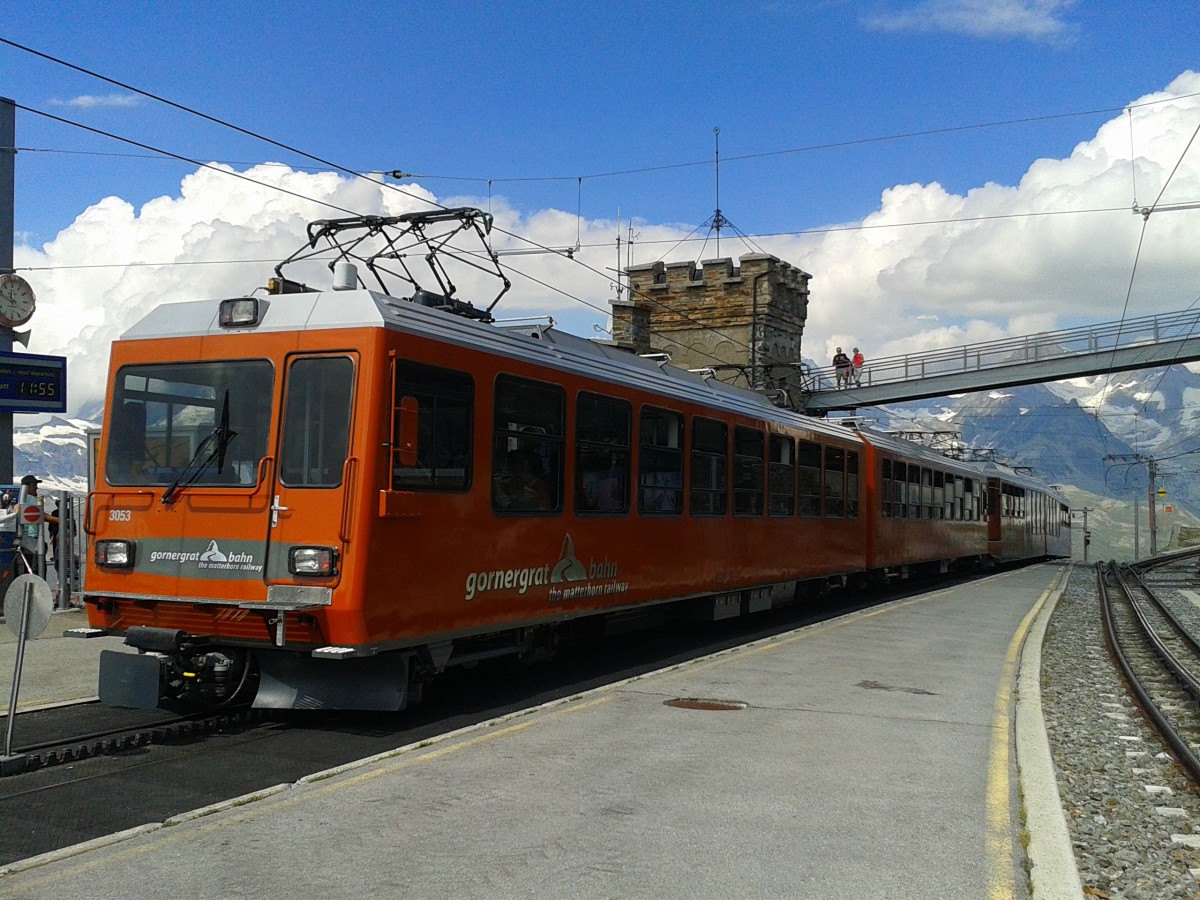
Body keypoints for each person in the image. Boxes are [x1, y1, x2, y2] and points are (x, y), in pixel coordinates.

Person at [12, 474, 58, 578]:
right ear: (27, 487)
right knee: (36, 566)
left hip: (22, 537)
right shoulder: (31, 499)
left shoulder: (20, 499)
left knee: (23, 566)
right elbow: (41, 515)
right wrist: (60, 520)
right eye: (34, 485)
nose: (36, 487)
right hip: (31, 538)